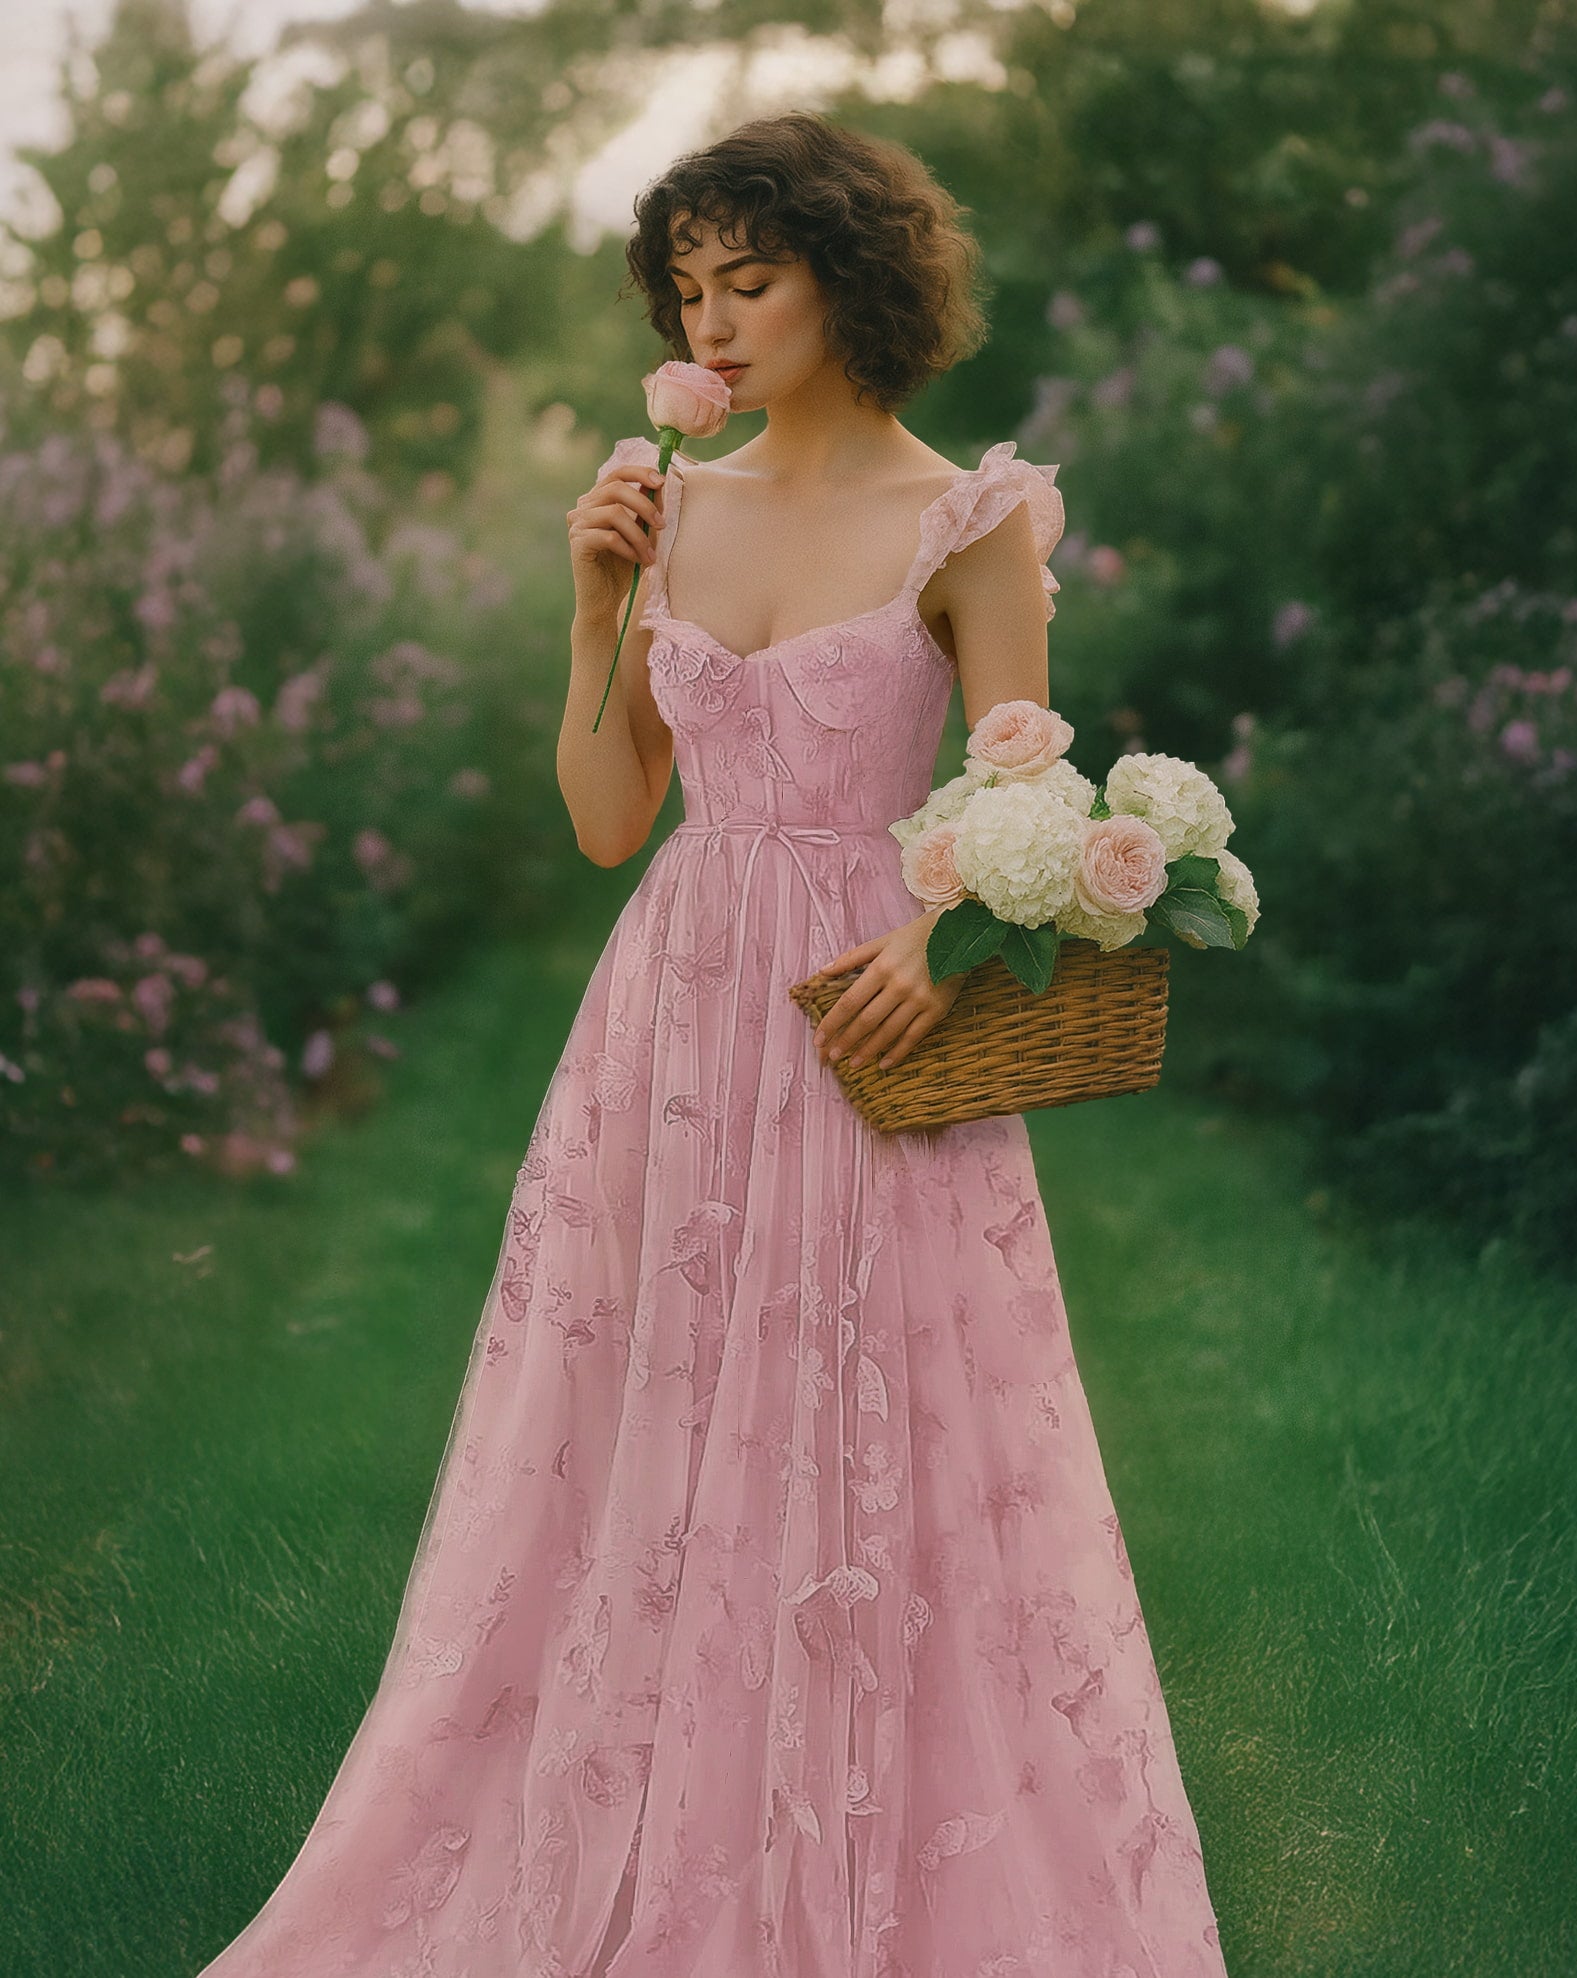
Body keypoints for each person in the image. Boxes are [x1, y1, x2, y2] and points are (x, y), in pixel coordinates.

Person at [194, 110, 1230, 1978]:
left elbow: (1024, 789)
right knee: (647, 1431)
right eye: (688, 288)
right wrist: (595, 608)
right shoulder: (667, 501)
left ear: (857, 274)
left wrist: (934, 923)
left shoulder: (973, 513)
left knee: (883, 1425)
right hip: (671, 1013)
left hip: (868, 1016)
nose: (715, 319)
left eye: (750, 278)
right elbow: (609, 817)